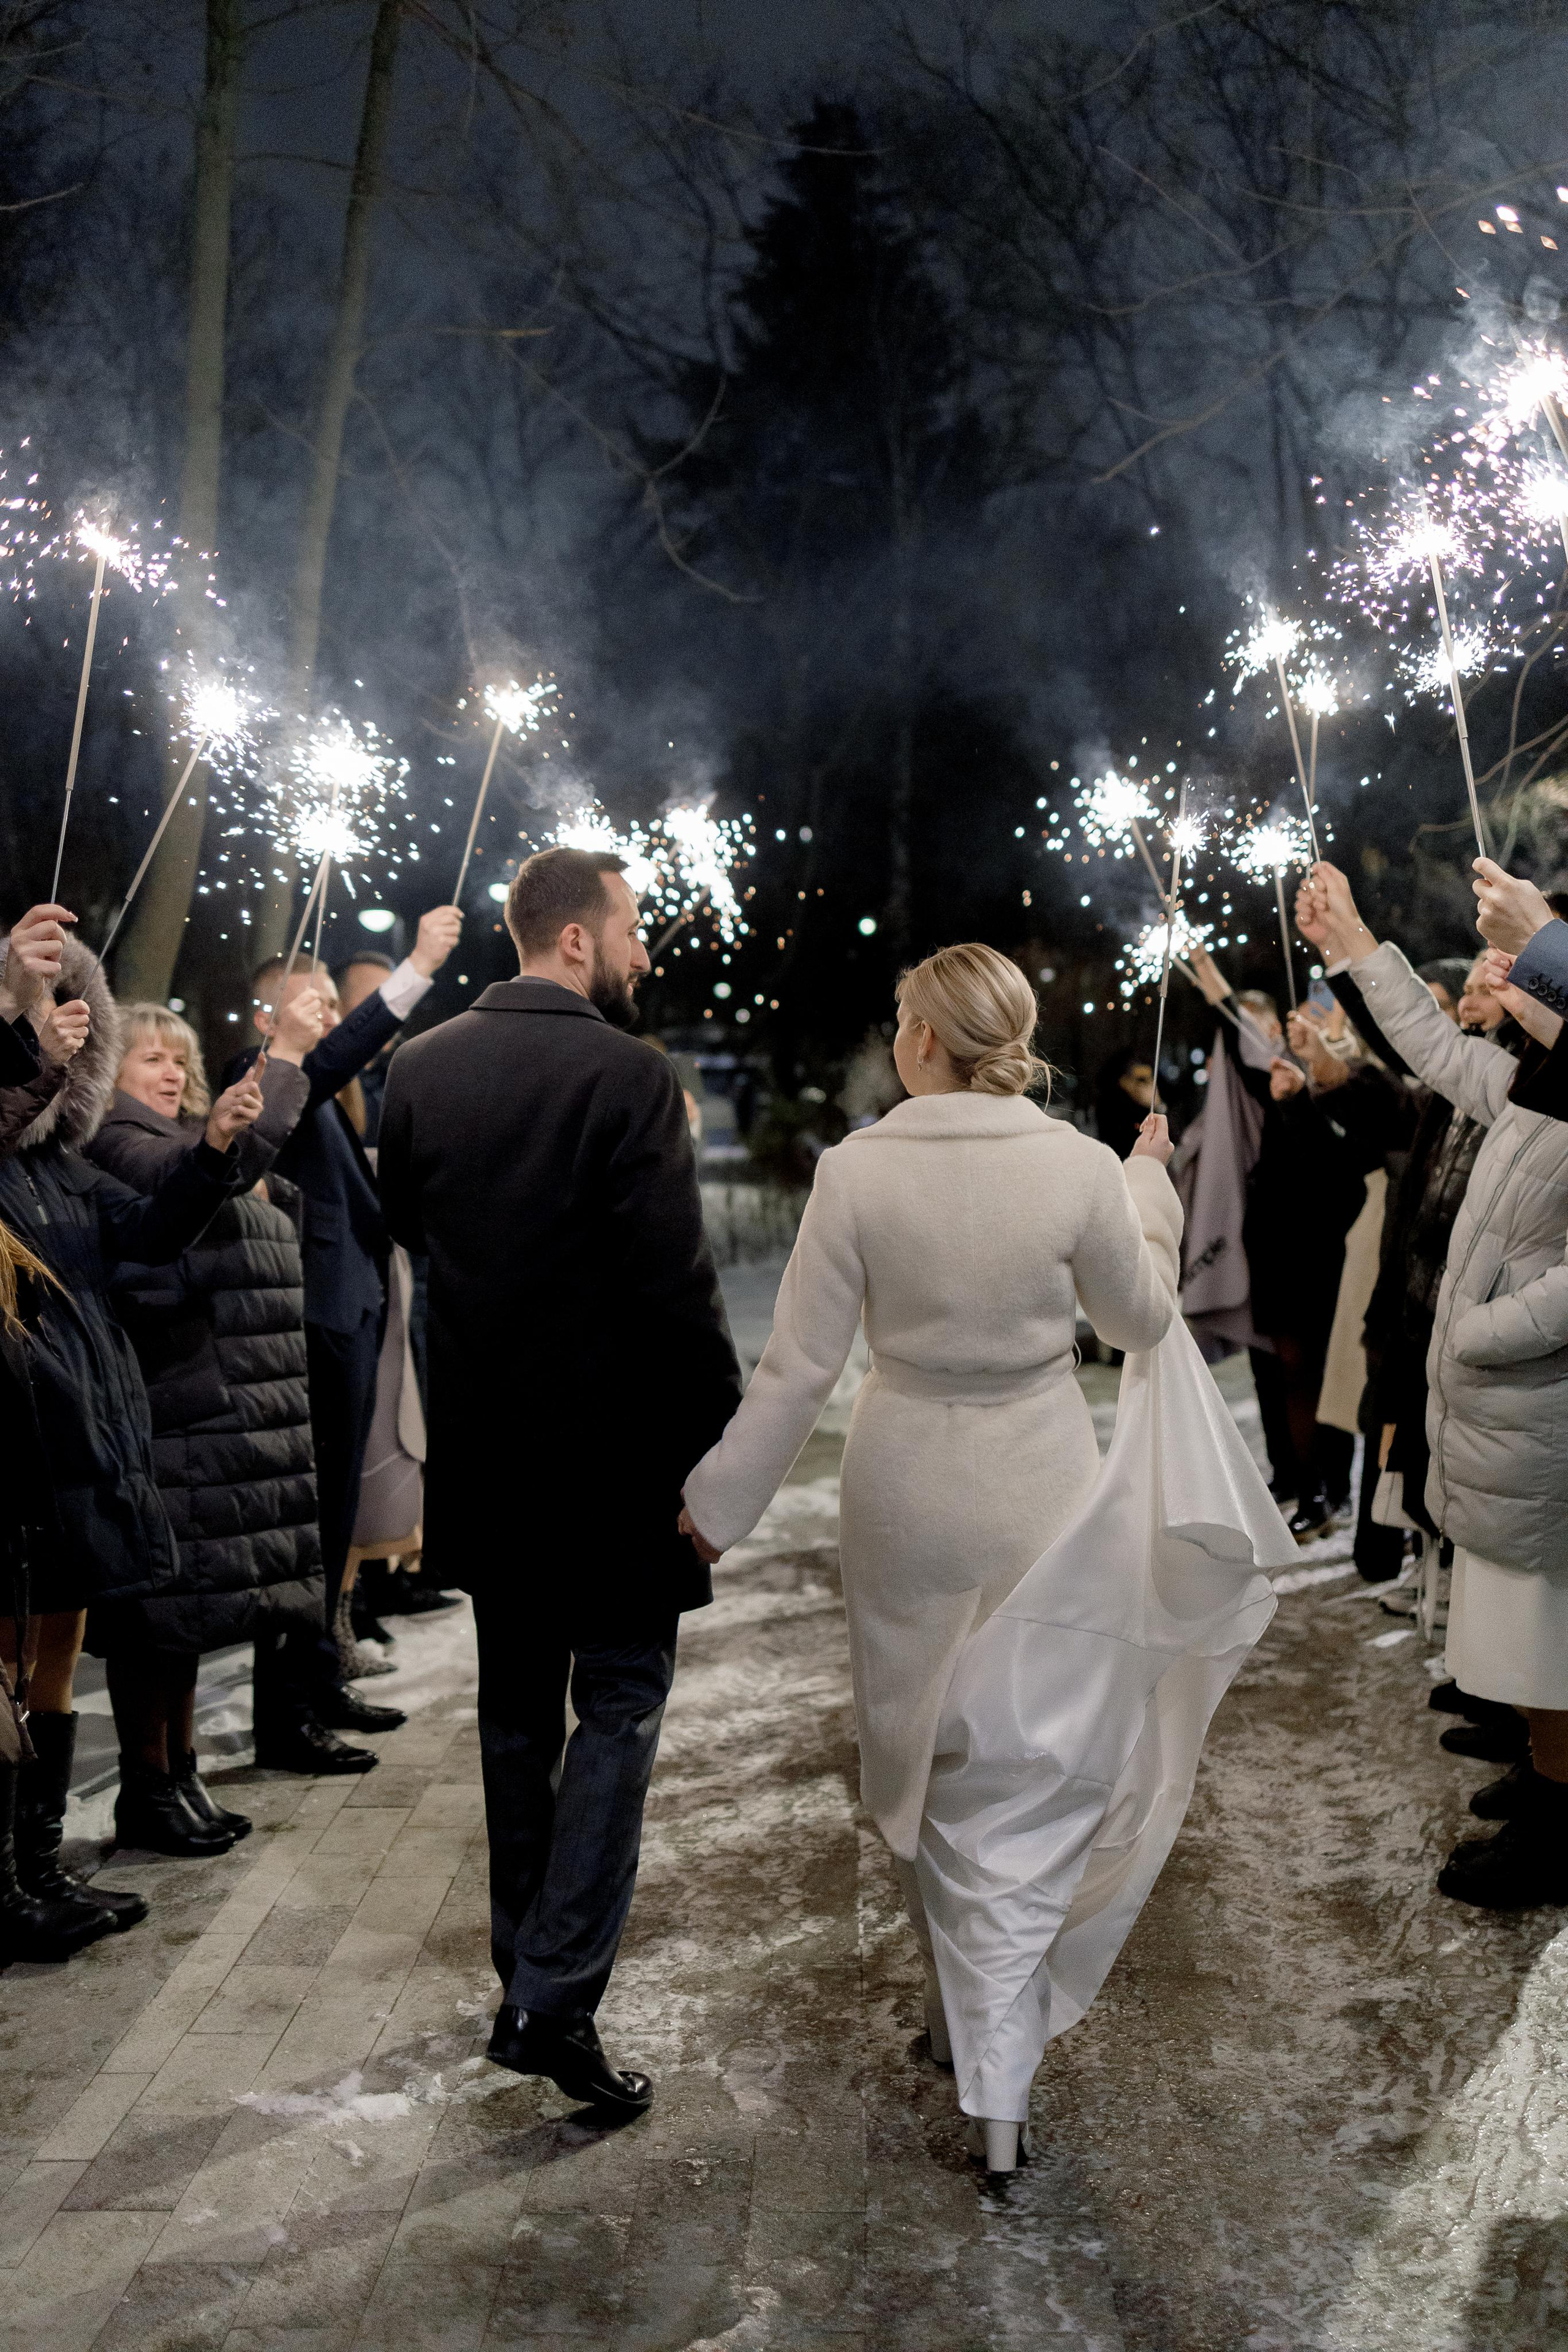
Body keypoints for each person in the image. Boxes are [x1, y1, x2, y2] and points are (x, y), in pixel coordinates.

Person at [679, 943, 1285, 2176]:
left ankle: (960, 2006)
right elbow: (1138, 1321)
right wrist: (1147, 1192)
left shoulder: (857, 1170)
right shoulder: (1075, 1166)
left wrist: (714, 1508)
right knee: (1027, 1750)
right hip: (1038, 1479)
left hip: (902, 1484)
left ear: (923, 1039)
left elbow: (797, 1368)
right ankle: (995, 2039)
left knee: (920, 1742)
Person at [377, 846, 742, 2116]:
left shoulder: (419, 1069)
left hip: (488, 1460)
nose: (641, 949)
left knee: (517, 1723)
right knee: (622, 1707)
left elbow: (410, 1230)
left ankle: (526, 1976)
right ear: (576, 938)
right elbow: (673, 1284)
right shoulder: (626, 1074)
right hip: (613, 1468)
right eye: (630, 926)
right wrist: (722, 1450)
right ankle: (551, 1995)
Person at [1297, 863, 1568, 1907]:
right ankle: (1547, 1782)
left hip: (1535, 1399)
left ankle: (1558, 1825)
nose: (1502, 976)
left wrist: (1482, 1332)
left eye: (1525, 967)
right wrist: (1356, 945)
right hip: (1510, 1413)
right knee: (1533, 1642)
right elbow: (1437, 1050)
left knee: (1550, 1634)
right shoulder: (1536, 1085)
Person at [0, 916, 262, 1926]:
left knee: (55, 1659)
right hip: (25, 1443)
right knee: (11, 1663)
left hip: (82, 1441)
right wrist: (21, 1027)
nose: (63, 1045)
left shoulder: (62, 1171)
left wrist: (216, 1147)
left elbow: (150, 1233)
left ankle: (36, 1869)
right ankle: (6, 1888)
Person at [82, 995, 333, 1845]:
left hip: (199, 1398)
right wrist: (281, 1060)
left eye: (180, 1059)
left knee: (189, 1613)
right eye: (151, 1057)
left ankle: (178, 1771)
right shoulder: (112, 1138)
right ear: (108, 1069)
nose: (172, 1072)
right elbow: (186, 1175)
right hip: (165, 1398)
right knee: (155, 1619)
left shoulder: (172, 1135)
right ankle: (147, 1785)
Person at [233, 905, 460, 1766]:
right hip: (317, 1318)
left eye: (335, 1002)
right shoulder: (260, 1072)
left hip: (352, 1306)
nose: (332, 1014)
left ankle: (320, 1680)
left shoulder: (319, 1083)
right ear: (269, 1016)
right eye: (315, 1001)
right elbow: (326, 1059)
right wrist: (418, 966)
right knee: (312, 1519)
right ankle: (287, 1715)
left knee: (333, 1519)